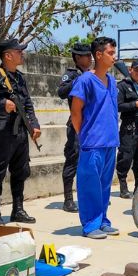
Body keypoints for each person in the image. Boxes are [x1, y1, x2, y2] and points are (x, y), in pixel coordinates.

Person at [0, 38, 41, 225]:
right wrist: (2, 104)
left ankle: (18, 210)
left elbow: (28, 104)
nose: (22, 54)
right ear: (8, 55)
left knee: (21, 170)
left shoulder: (20, 78)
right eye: (18, 51)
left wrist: (34, 125)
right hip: (2, 132)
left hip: (21, 132)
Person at [69, 37, 119, 239]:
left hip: (109, 141)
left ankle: (102, 220)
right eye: (111, 53)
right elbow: (75, 113)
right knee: (89, 185)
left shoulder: (112, 81)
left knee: (104, 185)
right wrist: (85, 135)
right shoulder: (85, 81)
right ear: (99, 55)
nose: (114, 57)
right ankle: (90, 225)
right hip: (92, 142)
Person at [57, 42, 93, 212]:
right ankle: (68, 199)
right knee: (73, 158)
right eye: (87, 55)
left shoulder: (94, 74)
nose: (91, 58)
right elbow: (61, 91)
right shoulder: (72, 75)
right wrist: (80, 79)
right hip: (77, 124)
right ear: (78, 58)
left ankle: (89, 197)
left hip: (92, 124)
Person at [115, 60, 138, 198]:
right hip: (129, 127)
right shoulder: (122, 86)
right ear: (130, 69)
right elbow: (118, 106)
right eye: (136, 70)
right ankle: (123, 185)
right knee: (126, 156)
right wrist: (136, 104)